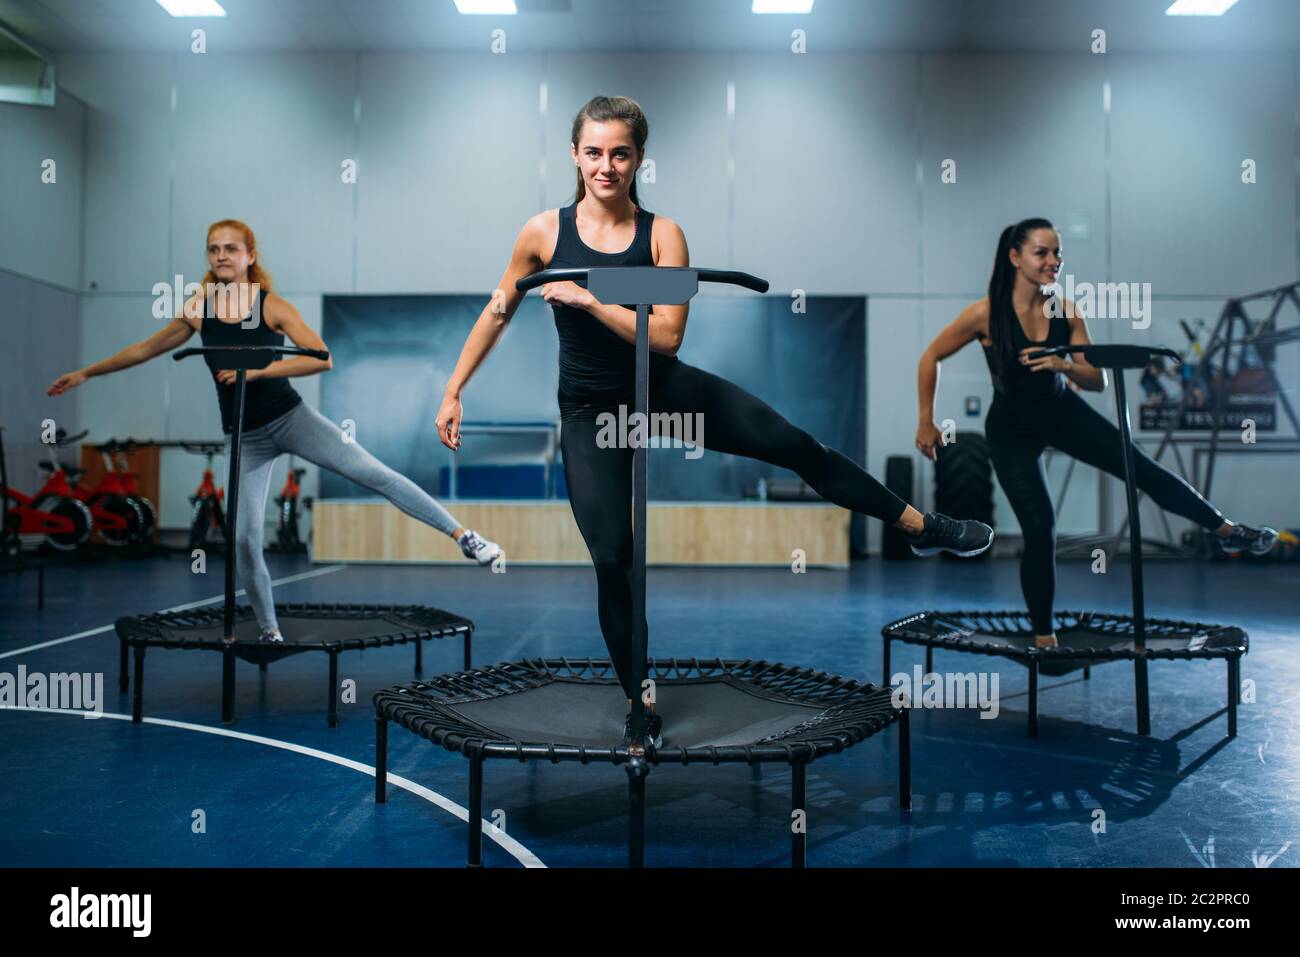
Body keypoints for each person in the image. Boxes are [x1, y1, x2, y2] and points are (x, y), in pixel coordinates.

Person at [434, 95, 993, 748]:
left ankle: (923, 526)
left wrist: (588, 297)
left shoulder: (663, 235)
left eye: (619, 152)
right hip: (589, 408)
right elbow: (500, 307)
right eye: (593, 152)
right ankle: (638, 698)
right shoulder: (541, 234)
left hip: (660, 385)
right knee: (612, 555)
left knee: (794, 445)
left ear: (639, 156)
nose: (605, 166)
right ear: (573, 154)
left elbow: (665, 338)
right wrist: (454, 388)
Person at [49, 219, 501, 641]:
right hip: (244, 436)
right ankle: (269, 632)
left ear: (249, 255)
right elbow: (146, 348)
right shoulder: (198, 309)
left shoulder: (271, 307)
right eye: (213, 250)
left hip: (292, 419)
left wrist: (258, 372)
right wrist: (87, 372)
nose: (221, 256)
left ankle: (464, 537)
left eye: (231, 249)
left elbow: (322, 356)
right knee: (243, 537)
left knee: (375, 474)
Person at [915, 217, 1278, 647]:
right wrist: (926, 418)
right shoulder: (985, 314)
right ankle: (1045, 639)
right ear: (1015, 258)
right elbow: (931, 356)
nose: (1054, 261)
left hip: (1063, 413)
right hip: (1011, 430)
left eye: (1058, 253)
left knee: (1140, 468)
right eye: (1042, 252)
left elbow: (1097, 380)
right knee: (1040, 527)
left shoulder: (1065, 310)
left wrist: (1065, 365)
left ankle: (1227, 530)